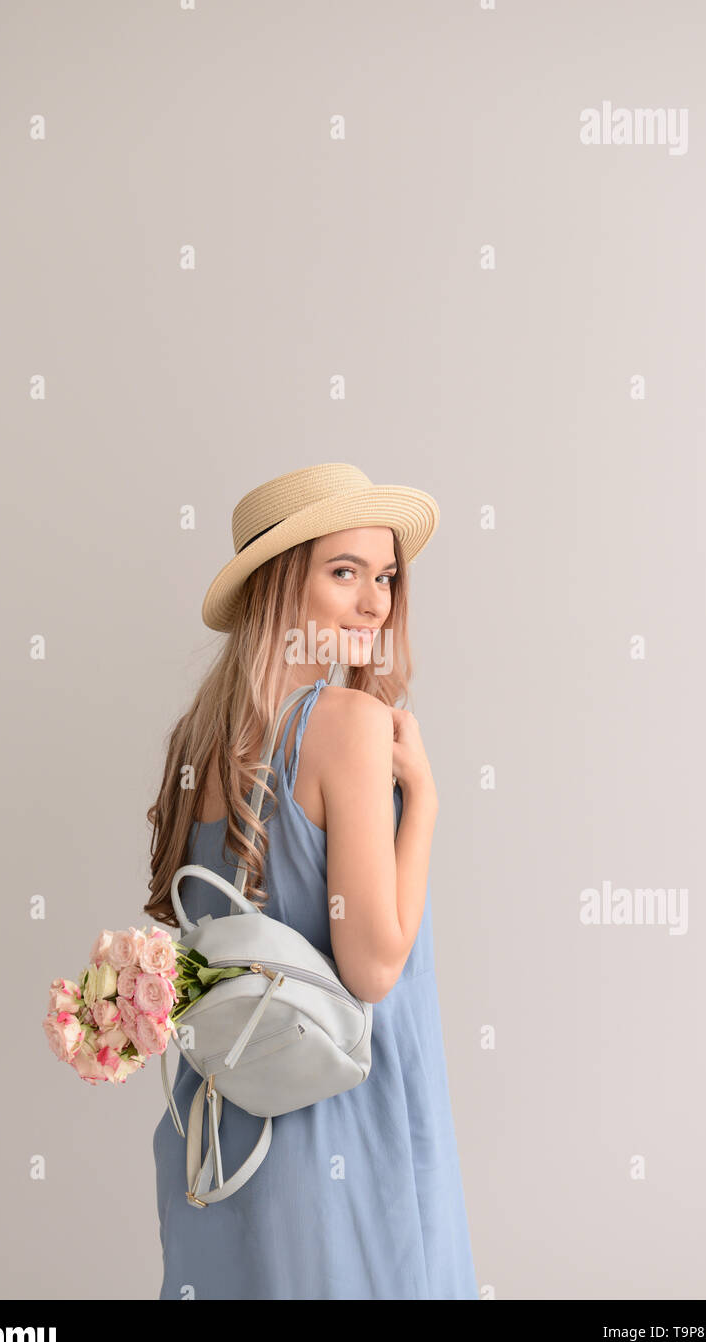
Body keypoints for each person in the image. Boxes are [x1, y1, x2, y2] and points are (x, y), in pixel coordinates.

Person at [146, 461, 478, 1299]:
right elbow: (371, 969)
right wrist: (427, 803)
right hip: (348, 1131)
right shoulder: (350, 725)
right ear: (277, 586)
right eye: (343, 573)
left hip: (222, 1135)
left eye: (386, 578)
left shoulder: (197, 740)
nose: (375, 603)